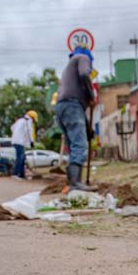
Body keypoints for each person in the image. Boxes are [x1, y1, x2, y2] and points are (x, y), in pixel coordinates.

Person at [55, 46, 97, 191]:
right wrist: (91, 96)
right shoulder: (82, 58)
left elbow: (75, 108)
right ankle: (75, 183)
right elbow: (85, 74)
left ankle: (74, 182)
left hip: (62, 108)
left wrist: (87, 128)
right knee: (79, 144)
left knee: (73, 145)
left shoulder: (67, 70)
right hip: (72, 106)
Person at [10, 110, 37, 180]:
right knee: (20, 158)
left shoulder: (20, 120)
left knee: (22, 158)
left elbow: (12, 128)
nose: (33, 121)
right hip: (19, 141)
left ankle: (22, 174)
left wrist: (17, 134)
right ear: (32, 117)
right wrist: (32, 142)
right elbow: (29, 132)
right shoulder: (28, 120)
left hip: (15, 140)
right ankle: (15, 174)